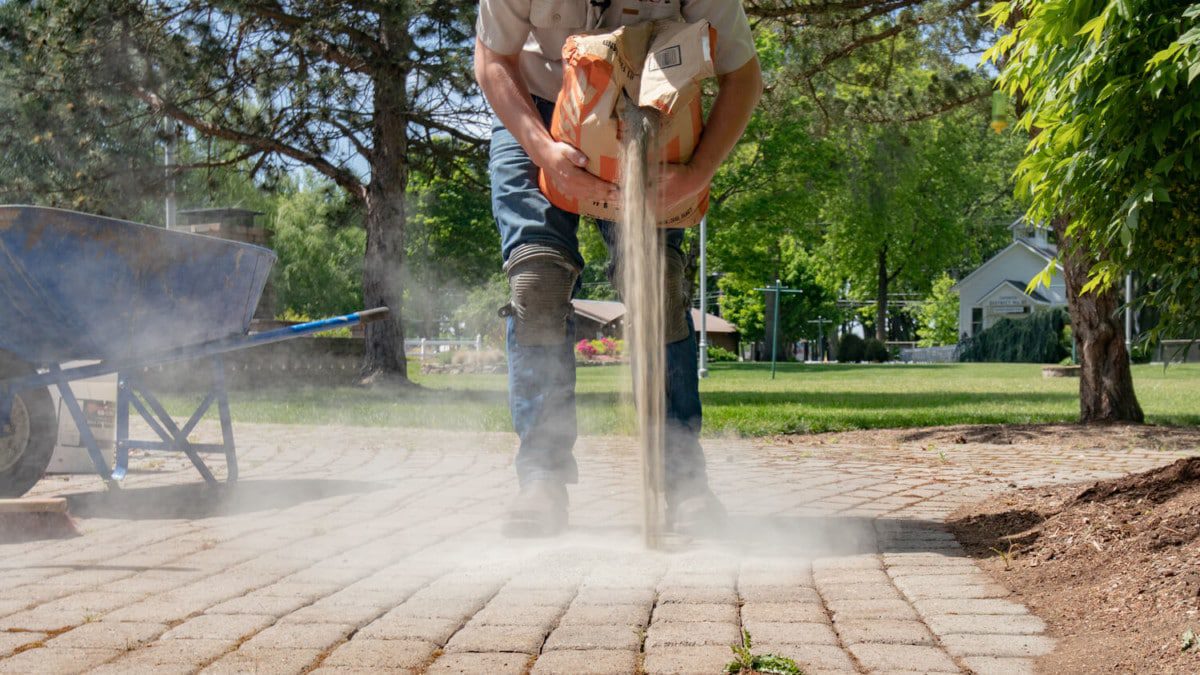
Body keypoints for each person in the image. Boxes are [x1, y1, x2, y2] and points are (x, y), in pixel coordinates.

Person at [474, 0, 762, 537]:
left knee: (656, 285)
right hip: (538, 109)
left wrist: (699, 171)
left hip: (646, 115)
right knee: (537, 283)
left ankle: (681, 480)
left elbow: (743, 76)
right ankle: (541, 478)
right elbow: (493, 59)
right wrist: (543, 150)